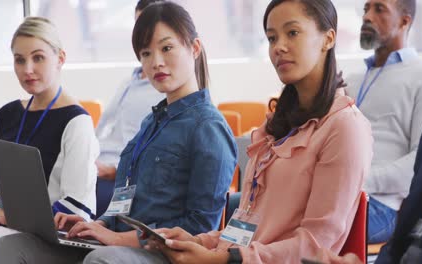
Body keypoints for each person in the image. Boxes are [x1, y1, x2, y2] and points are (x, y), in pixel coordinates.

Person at [81, 0, 373, 263]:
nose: (278, 46)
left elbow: (316, 246)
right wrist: (196, 242)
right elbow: (243, 229)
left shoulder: (344, 127)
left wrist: (223, 259)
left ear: (328, 38)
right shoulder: (277, 126)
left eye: (292, 33)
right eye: (272, 38)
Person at [0, 2, 237, 263]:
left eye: (166, 48)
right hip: (116, 245)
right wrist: (96, 226)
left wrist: (120, 239)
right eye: (145, 53)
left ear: (194, 48)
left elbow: (200, 226)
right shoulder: (150, 123)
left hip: (161, 254)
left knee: (101, 260)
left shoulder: (208, 128)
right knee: (12, 246)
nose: (156, 62)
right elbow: (124, 203)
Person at [316, 1, 422, 262]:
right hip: (340, 194)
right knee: (272, 210)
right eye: (366, 8)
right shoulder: (353, 79)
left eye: (379, 9)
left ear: (404, 22)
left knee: (294, 223)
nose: (367, 16)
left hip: (379, 204)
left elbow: (418, 165)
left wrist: (357, 181)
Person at [0, 17, 99, 263]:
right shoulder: (7, 114)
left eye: (38, 58)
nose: (27, 69)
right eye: (19, 60)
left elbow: (77, 210)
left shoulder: (76, 121)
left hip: (48, 241)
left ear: (60, 59)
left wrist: (8, 216)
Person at [94, 0, 165, 218]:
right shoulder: (129, 81)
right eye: (137, 25)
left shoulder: (163, 88)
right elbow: (104, 128)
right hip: (97, 164)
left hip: (119, 176)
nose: (141, 33)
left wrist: (115, 172)